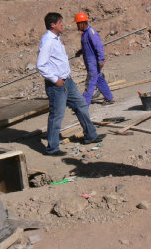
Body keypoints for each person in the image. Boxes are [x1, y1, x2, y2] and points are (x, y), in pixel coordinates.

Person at [36, 12, 105, 156]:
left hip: (68, 81)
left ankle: (90, 135)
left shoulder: (56, 39)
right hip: (57, 85)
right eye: (60, 22)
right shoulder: (48, 40)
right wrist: (55, 79)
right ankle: (52, 148)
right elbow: (41, 65)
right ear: (52, 25)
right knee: (57, 116)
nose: (63, 25)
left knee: (81, 105)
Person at [74, 12, 115, 106]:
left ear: (83, 23)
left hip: (94, 63)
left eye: (77, 24)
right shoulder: (84, 33)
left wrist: (101, 59)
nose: (77, 26)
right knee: (98, 79)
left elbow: (99, 46)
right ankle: (110, 98)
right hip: (89, 62)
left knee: (90, 82)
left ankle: (83, 104)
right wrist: (80, 52)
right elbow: (88, 46)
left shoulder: (91, 33)